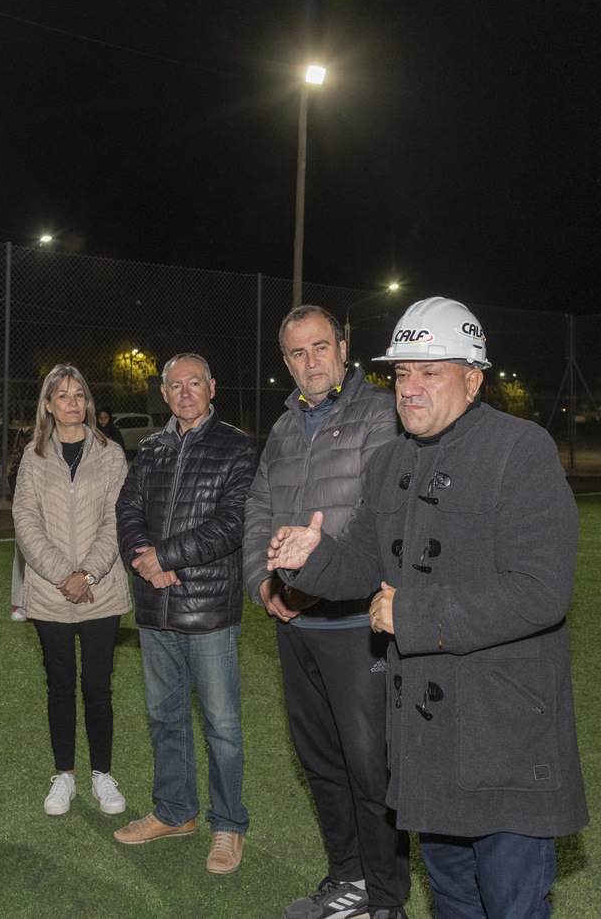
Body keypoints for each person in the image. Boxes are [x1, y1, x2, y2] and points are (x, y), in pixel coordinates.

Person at [269, 298, 588, 919]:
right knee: (451, 899)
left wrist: (414, 616)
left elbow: (541, 590)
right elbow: (363, 559)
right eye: (401, 374)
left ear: (474, 379)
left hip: (503, 740)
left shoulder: (519, 450)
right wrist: (312, 559)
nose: (409, 389)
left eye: (430, 373)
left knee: (512, 904)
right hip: (428, 741)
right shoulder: (390, 461)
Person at [242, 306, 410, 919]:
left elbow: (376, 517)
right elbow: (259, 504)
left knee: (371, 769)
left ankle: (387, 899)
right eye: (295, 353)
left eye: (319, 347)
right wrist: (265, 584)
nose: (309, 362)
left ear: (342, 348)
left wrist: (318, 583)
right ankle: (348, 882)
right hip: (295, 623)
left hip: (355, 624)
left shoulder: (381, 413)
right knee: (321, 762)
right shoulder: (286, 426)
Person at [113, 353, 258, 875]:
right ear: (164, 393)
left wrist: (165, 556)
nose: (185, 392)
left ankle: (228, 825)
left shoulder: (238, 446)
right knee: (163, 717)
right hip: (156, 608)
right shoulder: (149, 449)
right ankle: (175, 812)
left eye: (194, 383)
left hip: (209, 612)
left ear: (212, 387)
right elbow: (126, 509)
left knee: (221, 725)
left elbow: (233, 523)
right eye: (175, 386)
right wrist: (144, 561)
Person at [14, 365, 133, 818]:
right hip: (49, 592)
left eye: (79, 394)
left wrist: (88, 574)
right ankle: (64, 776)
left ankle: (101, 774)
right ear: (48, 404)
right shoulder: (33, 456)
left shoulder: (111, 454)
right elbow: (25, 521)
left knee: (98, 685)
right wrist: (65, 574)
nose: (72, 402)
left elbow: (116, 518)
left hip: (100, 589)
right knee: (60, 685)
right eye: (61, 395)